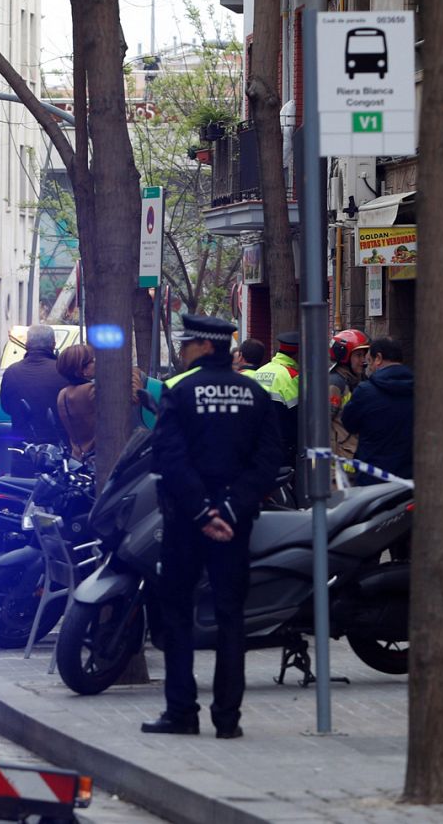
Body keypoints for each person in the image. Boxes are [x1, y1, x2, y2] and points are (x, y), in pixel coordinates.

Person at [143, 314, 282, 739]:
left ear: (204, 347)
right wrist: (231, 510)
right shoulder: (255, 393)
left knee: (178, 614)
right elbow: (267, 459)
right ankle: (228, 719)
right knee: (230, 617)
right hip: (234, 524)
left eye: (187, 344)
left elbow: (169, 456)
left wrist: (202, 512)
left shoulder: (179, 391)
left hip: (187, 522)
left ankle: (181, 712)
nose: (182, 350)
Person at [340, 337, 412, 481]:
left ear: (378, 358)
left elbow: (349, 424)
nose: (369, 367)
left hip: (373, 479)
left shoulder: (365, 391)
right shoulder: (420, 390)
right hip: (410, 480)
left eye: (369, 361)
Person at [0, 324, 70, 444]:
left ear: (27, 344)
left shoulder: (11, 372)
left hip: (22, 446)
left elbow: (6, 406)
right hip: (59, 448)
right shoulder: (64, 371)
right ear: (53, 344)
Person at [250, 332, 301, 468]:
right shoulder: (292, 376)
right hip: (283, 445)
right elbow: (298, 415)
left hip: (258, 442)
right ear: (297, 355)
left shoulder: (260, 371)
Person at [329, 329, 371, 459]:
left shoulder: (361, 380)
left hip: (357, 453)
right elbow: (323, 424)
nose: (363, 361)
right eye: (358, 355)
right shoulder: (335, 384)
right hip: (340, 459)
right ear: (344, 357)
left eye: (364, 355)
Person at [54, 344, 97, 462]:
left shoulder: (63, 394)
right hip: (97, 459)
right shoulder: (92, 390)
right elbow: (133, 397)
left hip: (77, 458)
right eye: (92, 361)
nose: (96, 363)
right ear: (83, 370)